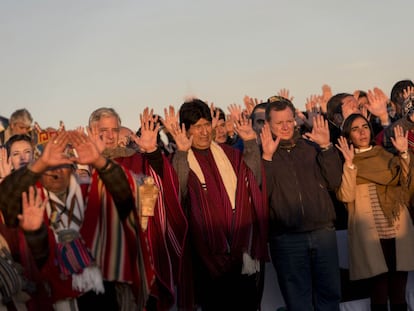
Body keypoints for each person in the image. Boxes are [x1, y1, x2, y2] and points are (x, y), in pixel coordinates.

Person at [163, 99, 268, 311]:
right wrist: (182, 154)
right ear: (186, 129)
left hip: (240, 248)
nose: (203, 132)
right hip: (205, 255)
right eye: (197, 127)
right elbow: (178, 192)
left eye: (206, 125)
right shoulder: (178, 158)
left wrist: (249, 144)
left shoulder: (229, 154)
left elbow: (253, 182)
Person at [87, 107, 187, 311]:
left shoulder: (135, 159)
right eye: (102, 130)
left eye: (114, 130)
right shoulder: (81, 164)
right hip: (102, 261)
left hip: (142, 254)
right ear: (91, 131)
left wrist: (152, 152)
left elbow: (164, 184)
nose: (109, 136)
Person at [260, 95, 342, 311]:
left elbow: (334, 182)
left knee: (330, 296)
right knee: (298, 303)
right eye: (279, 123)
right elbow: (261, 196)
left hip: (322, 233)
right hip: (287, 240)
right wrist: (266, 159)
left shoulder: (311, 146)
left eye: (289, 120)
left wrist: (326, 147)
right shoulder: (263, 156)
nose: (285, 127)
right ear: (268, 125)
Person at [336, 113, 414, 311]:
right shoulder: (348, 161)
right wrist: (350, 165)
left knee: (398, 293)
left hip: (397, 231)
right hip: (371, 237)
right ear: (348, 135)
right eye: (355, 129)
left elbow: (407, 186)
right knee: (378, 294)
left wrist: (404, 154)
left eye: (365, 126)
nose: (362, 132)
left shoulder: (386, 155)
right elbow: (346, 196)